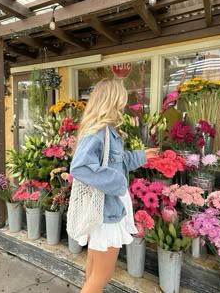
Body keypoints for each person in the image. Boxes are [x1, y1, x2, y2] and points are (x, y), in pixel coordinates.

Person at [69, 78, 159, 293]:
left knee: (94, 271)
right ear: (112, 100)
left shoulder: (105, 130)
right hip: (106, 211)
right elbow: (80, 167)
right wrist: (119, 182)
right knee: (102, 275)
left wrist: (140, 156)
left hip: (104, 210)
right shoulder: (99, 131)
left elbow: (114, 161)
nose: (123, 104)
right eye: (121, 99)